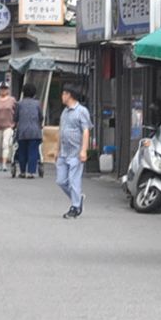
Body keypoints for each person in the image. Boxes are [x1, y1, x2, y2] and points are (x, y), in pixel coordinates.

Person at [55, 84, 92, 219]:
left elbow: (86, 131)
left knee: (73, 180)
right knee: (61, 181)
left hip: (75, 152)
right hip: (63, 152)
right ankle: (78, 198)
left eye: (63, 94)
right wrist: (57, 149)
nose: (62, 97)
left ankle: (75, 207)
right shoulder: (64, 112)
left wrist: (84, 150)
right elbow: (61, 131)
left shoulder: (81, 111)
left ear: (68, 95)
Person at [13, 83, 44, 179]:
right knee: (33, 151)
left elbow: (15, 117)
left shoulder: (19, 104)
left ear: (23, 92)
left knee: (22, 151)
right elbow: (41, 117)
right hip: (35, 131)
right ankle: (30, 172)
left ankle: (22, 171)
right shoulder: (37, 103)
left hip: (22, 132)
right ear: (34, 93)